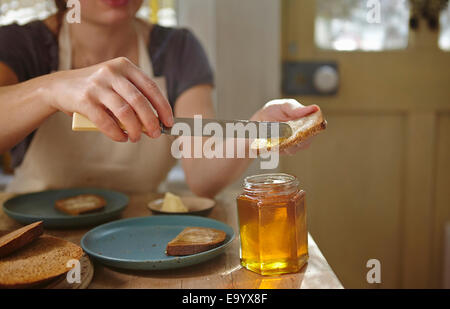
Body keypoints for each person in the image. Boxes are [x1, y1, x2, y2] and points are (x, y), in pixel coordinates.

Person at [0, 0, 319, 197]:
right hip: (34, 234)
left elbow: (203, 180)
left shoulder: (178, 48)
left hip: (139, 235)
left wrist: (256, 130)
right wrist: (50, 90)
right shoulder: (20, 45)